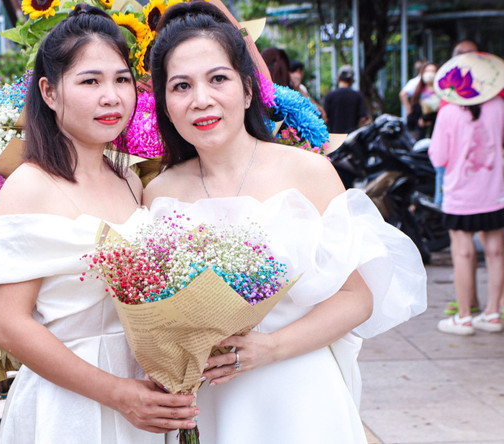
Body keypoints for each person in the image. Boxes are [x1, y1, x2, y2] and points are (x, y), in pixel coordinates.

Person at [145, 2, 427, 442]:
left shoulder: (307, 172)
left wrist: (269, 348)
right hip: (212, 401)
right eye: (181, 86)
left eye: (218, 79)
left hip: (300, 390)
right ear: (165, 100)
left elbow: (358, 296)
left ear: (248, 89)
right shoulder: (158, 194)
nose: (201, 99)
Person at [0, 5, 197, 442]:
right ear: (49, 92)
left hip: (143, 400)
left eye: (121, 79)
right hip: (69, 405)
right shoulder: (30, 185)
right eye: (91, 81)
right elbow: (10, 325)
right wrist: (118, 394)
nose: (112, 96)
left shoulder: (128, 179)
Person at [430, 52, 504, 335]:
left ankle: (464, 317)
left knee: (463, 254)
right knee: (495, 251)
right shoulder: (499, 106)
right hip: (494, 193)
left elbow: (437, 157)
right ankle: (493, 314)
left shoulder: (447, 112)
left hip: (459, 196)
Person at [324, 65, 370, 134]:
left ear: (338, 78)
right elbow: (363, 119)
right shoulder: (358, 96)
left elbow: (325, 118)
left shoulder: (330, 96)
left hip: (335, 139)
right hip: (352, 139)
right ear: (352, 80)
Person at [407, 63, 440, 140]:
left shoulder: (441, 92)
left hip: (436, 131)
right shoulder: (418, 92)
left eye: (432, 71)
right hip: (420, 133)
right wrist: (419, 121)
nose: (430, 73)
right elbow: (412, 116)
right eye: (427, 71)